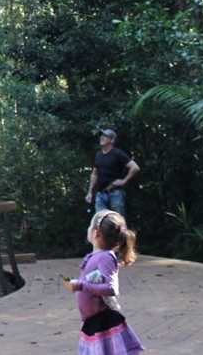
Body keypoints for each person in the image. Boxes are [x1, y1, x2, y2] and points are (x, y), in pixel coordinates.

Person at [64, 210, 144, 355]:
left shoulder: (106, 257)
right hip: (93, 321)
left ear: (96, 233)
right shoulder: (95, 256)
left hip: (103, 322)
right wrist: (76, 284)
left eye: (89, 226)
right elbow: (93, 280)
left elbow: (110, 288)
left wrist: (81, 285)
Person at [85, 129, 140, 217]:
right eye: (101, 136)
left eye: (105, 136)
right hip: (100, 194)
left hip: (115, 193)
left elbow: (135, 167)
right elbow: (94, 174)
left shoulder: (117, 153)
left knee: (118, 222)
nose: (101, 137)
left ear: (112, 140)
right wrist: (90, 192)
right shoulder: (98, 155)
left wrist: (124, 181)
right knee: (100, 222)